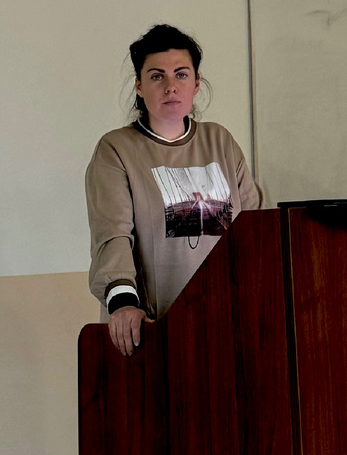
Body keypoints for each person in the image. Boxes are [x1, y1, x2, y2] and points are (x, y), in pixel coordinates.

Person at [86, 24, 261, 356]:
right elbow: (113, 234)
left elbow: (254, 224)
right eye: (157, 76)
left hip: (228, 318)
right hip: (155, 327)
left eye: (181, 74)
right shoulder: (117, 149)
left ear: (196, 84)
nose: (170, 87)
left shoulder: (220, 141)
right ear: (139, 86)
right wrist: (123, 303)